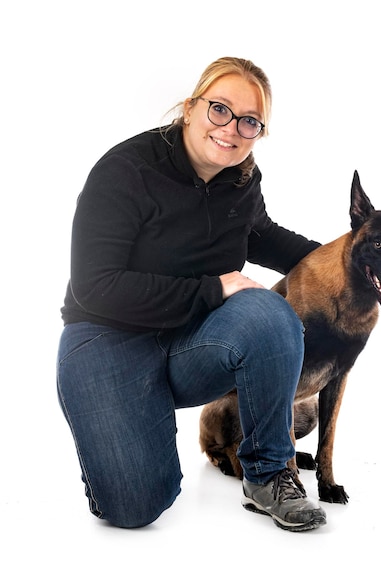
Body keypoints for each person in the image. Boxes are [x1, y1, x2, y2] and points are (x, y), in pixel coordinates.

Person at [56, 56, 327, 532]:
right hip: (107, 339)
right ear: (190, 107)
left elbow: (260, 235)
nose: (232, 129)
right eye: (219, 109)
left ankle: (267, 474)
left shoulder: (241, 178)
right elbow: (95, 287)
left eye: (250, 121)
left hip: (190, 339)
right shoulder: (126, 171)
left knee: (268, 312)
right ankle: (121, 442)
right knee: (134, 508)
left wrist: (346, 260)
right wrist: (215, 287)